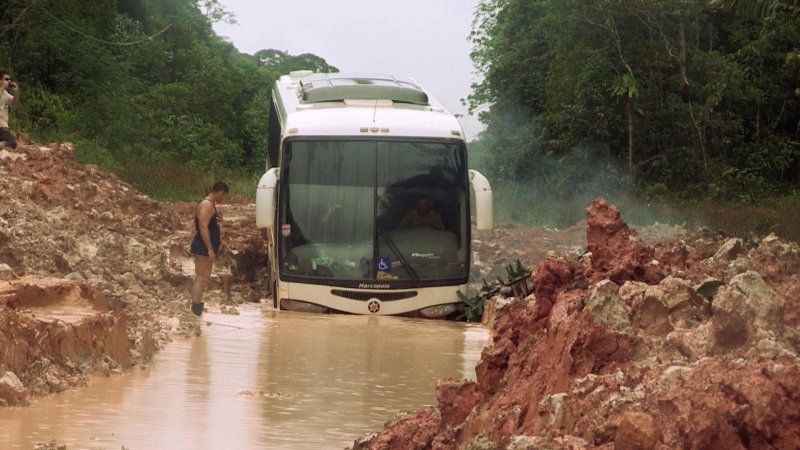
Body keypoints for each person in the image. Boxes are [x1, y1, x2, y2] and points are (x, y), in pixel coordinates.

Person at [189, 181, 229, 316]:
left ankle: (197, 305)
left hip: (206, 247)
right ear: (220, 192)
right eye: (223, 196)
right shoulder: (206, 205)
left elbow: (212, 225)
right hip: (202, 247)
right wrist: (210, 249)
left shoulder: (211, 205)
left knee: (204, 277)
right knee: (201, 277)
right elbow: (203, 226)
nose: (222, 199)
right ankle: (195, 307)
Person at [0, 70, 20, 149]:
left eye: (9, 79)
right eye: (6, 79)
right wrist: (1, 87)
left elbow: (14, 103)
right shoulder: (2, 90)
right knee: (11, 143)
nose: (8, 81)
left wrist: (16, 92)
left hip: (3, 127)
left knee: (11, 143)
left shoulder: (5, 93)